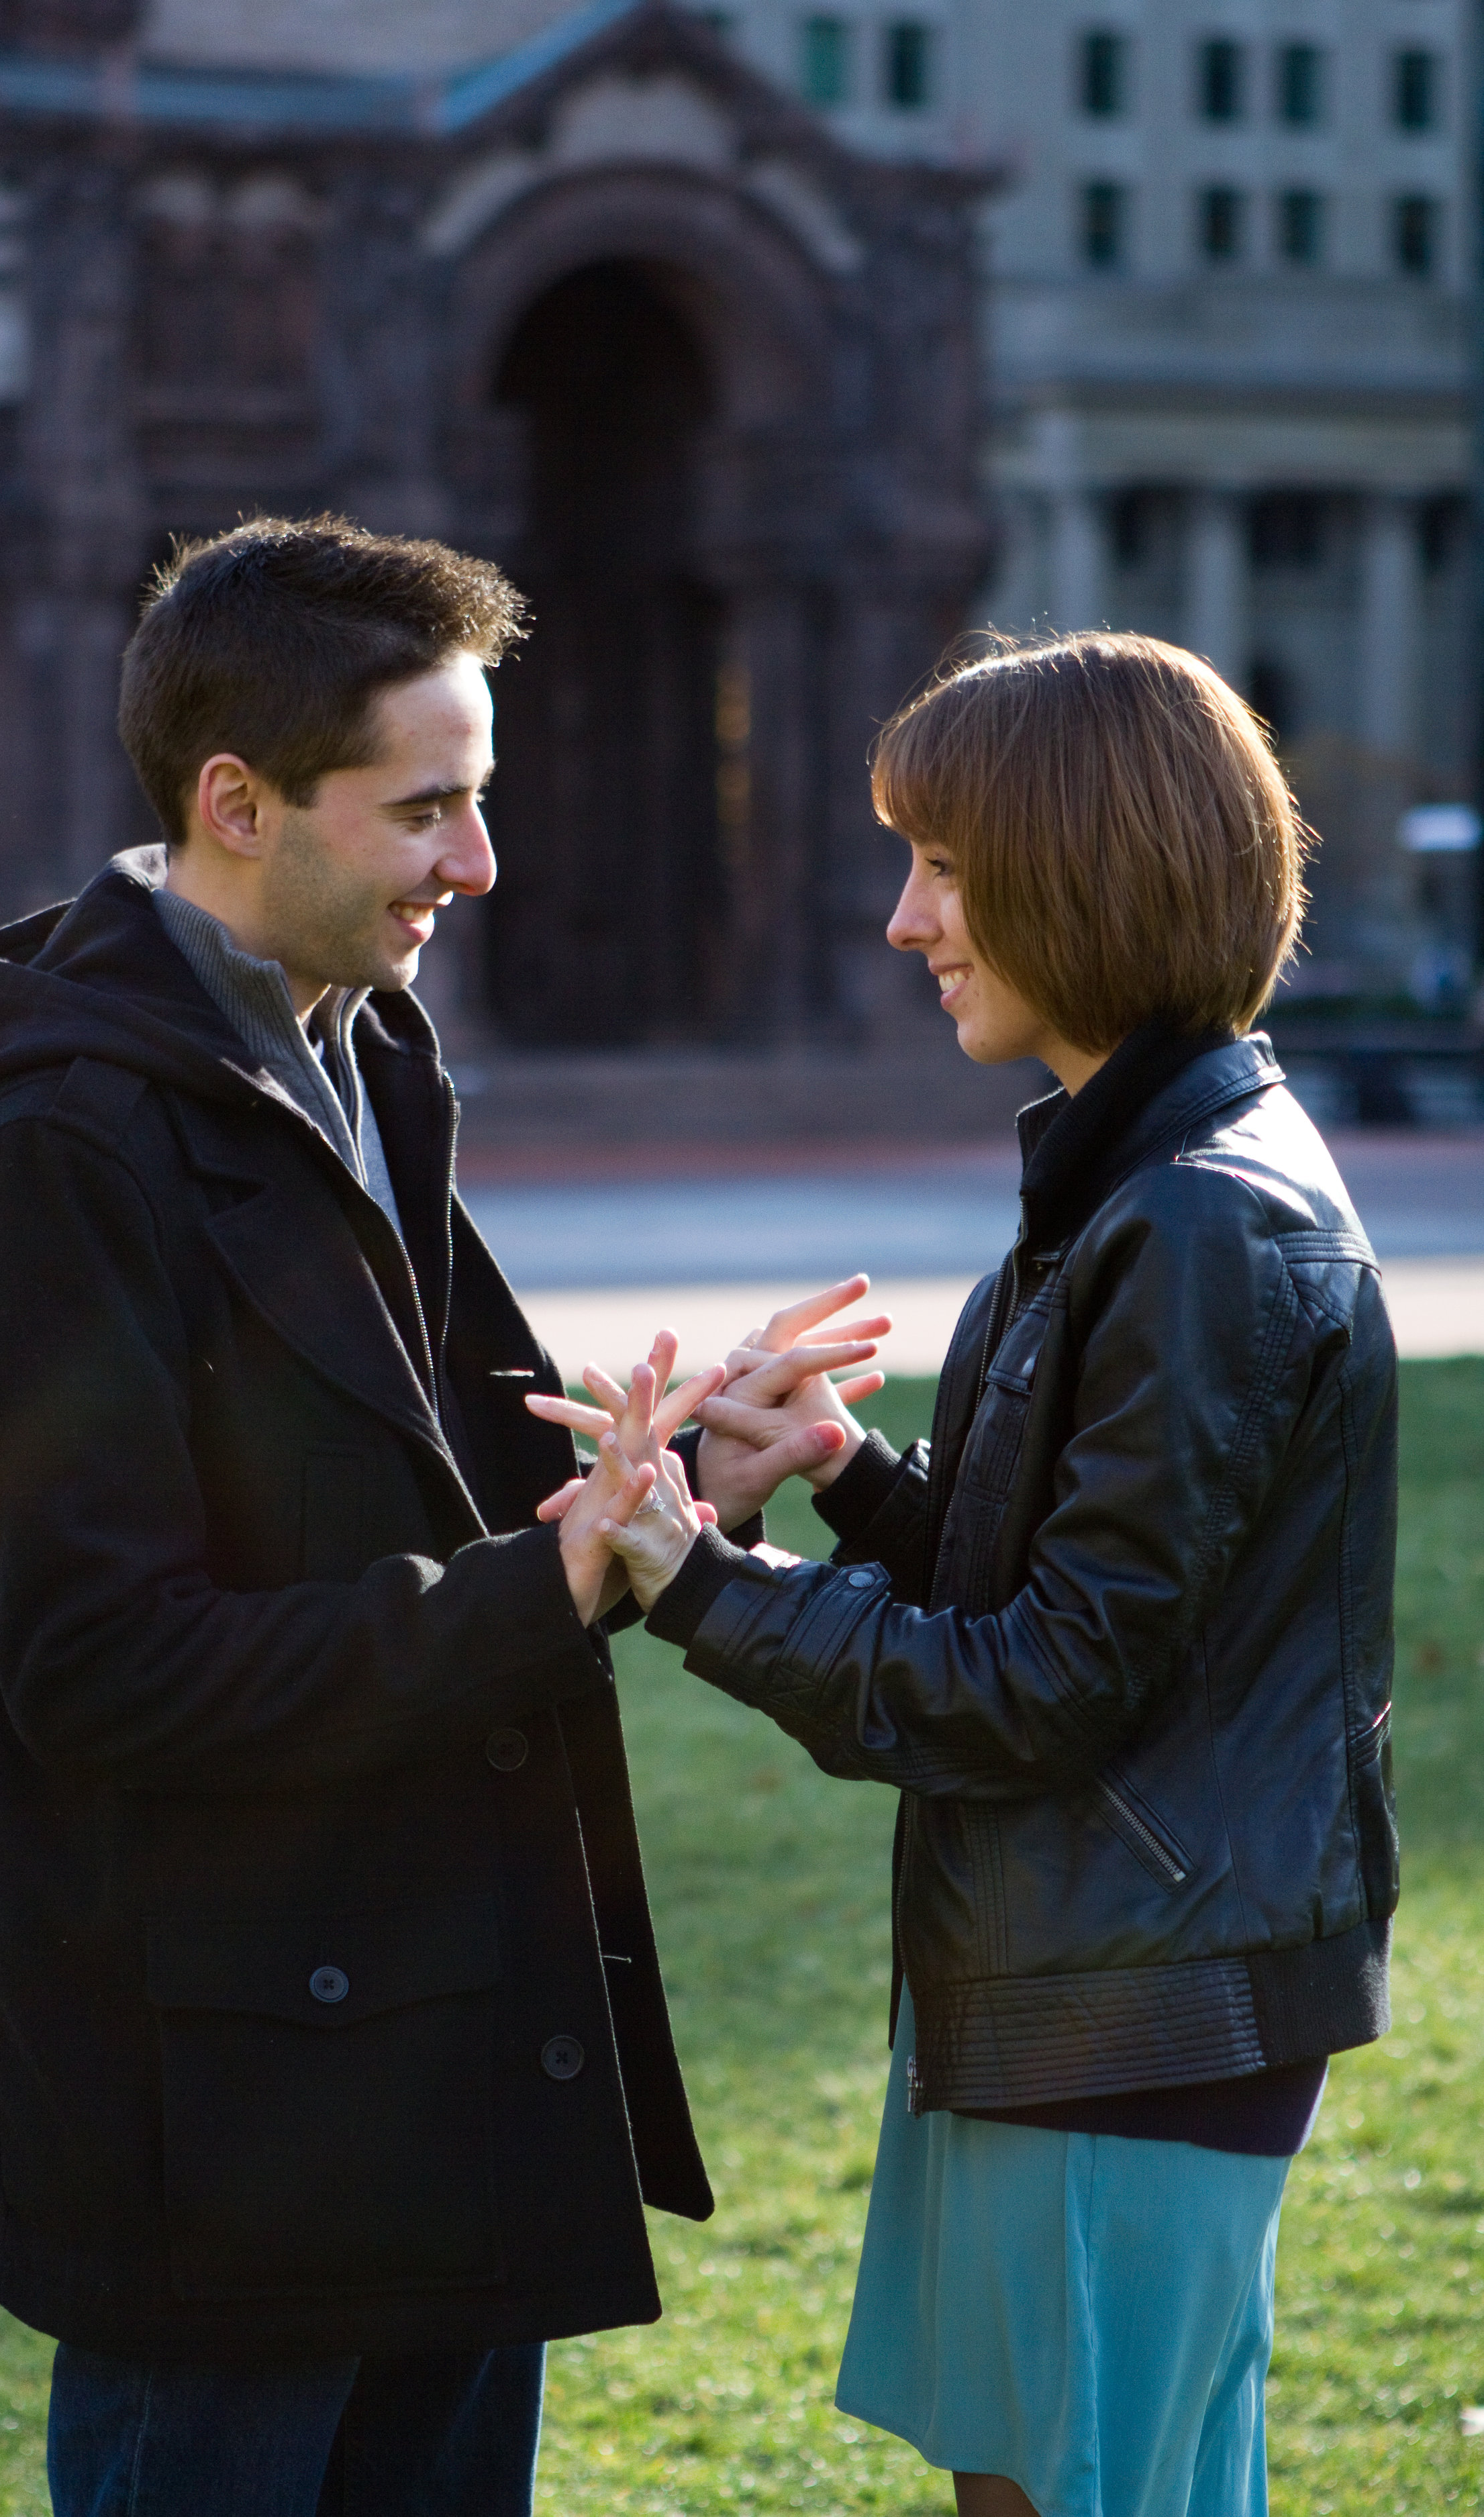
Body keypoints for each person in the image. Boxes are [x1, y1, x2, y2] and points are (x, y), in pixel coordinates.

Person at [0, 515, 882, 2516]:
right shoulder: (55, 1157)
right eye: (425, 808)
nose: (479, 866)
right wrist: (552, 1580)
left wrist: (689, 1472)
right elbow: (98, 1671)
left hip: (442, 2052)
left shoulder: (365, 1056)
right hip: (228, 2128)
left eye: (483, 798)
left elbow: (456, 1495)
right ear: (235, 803)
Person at [540, 632, 1399, 2517]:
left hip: (1136, 2006)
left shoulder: (1198, 1220)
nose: (902, 919)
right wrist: (845, 1478)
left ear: (1078, 865)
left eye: (939, 862)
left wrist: (690, 1576)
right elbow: (1098, 1592)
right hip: (1069, 1980)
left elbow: (1040, 1687)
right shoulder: (1130, 1179)